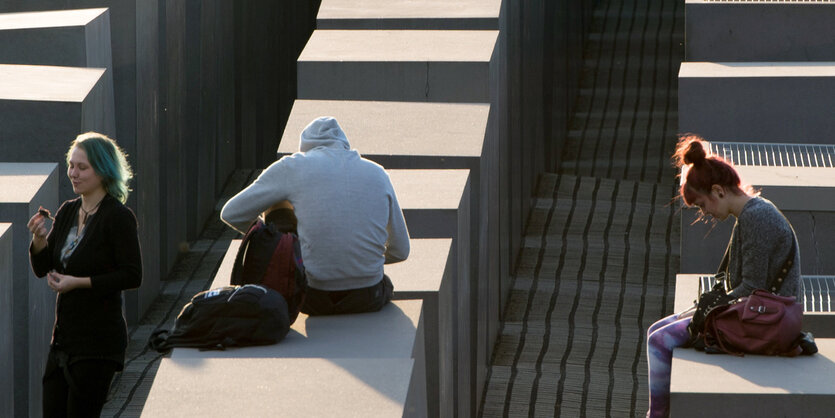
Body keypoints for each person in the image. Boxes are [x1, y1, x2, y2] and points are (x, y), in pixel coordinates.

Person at [646, 134, 801, 417]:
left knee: (659, 340)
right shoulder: (752, 212)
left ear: (718, 191)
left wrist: (707, 312)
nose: (705, 213)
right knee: (655, 331)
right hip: (761, 314)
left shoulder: (756, 218)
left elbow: (752, 287)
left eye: (703, 205)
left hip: (768, 321)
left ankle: (656, 416)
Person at [221, 116, 410, 315]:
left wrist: (274, 242)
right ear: (344, 144)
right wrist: (363, 261)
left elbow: (232, 213)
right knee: (384, 282)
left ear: (305, 147)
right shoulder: (377, 173)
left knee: (278, 203)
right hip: (368, 296)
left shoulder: (293, 167)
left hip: (313, 297)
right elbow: (401, 251)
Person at [27, 132, 142, 417]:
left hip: (98, 343)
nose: (73, 174)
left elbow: (132, 275)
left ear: (103, 171)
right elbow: (44, 269)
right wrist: (39, 241)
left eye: (82, 167)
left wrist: (77, 283)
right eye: (71, 165)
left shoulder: (118, 217)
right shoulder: (67, 211)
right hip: (64, 341)